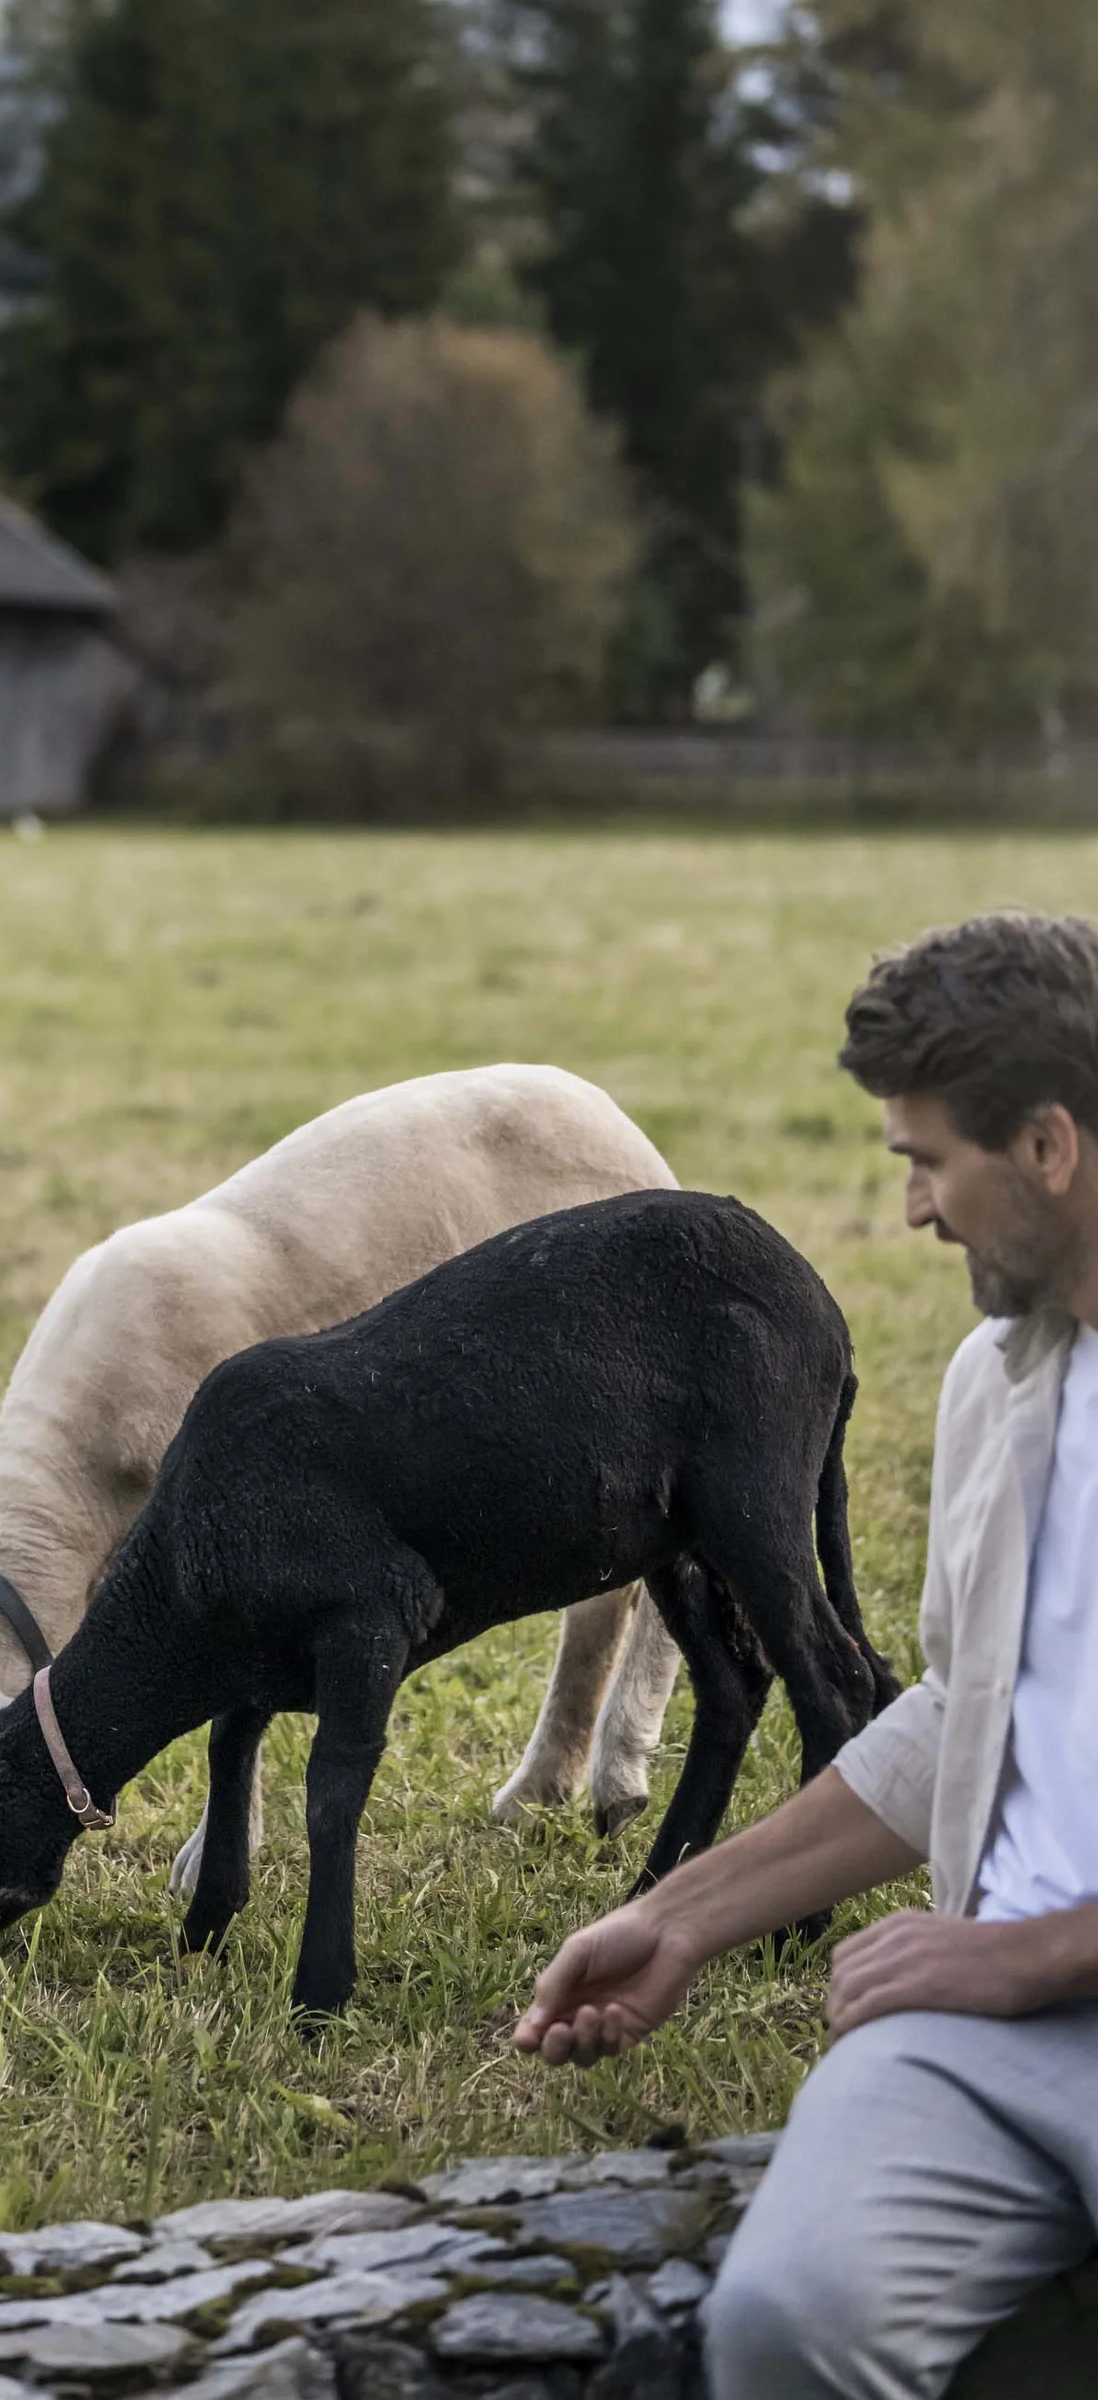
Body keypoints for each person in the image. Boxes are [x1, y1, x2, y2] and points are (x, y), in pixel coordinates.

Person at [512, 911, 1098, 2400]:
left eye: (929, 1162)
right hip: (988, 2033)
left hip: (1009, 1973)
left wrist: (1039, 1951)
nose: (912, 1210)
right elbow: (957, 1720)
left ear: (1048, 1146)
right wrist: (681, 1916)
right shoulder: (999, 1385)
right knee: (788, 2320)